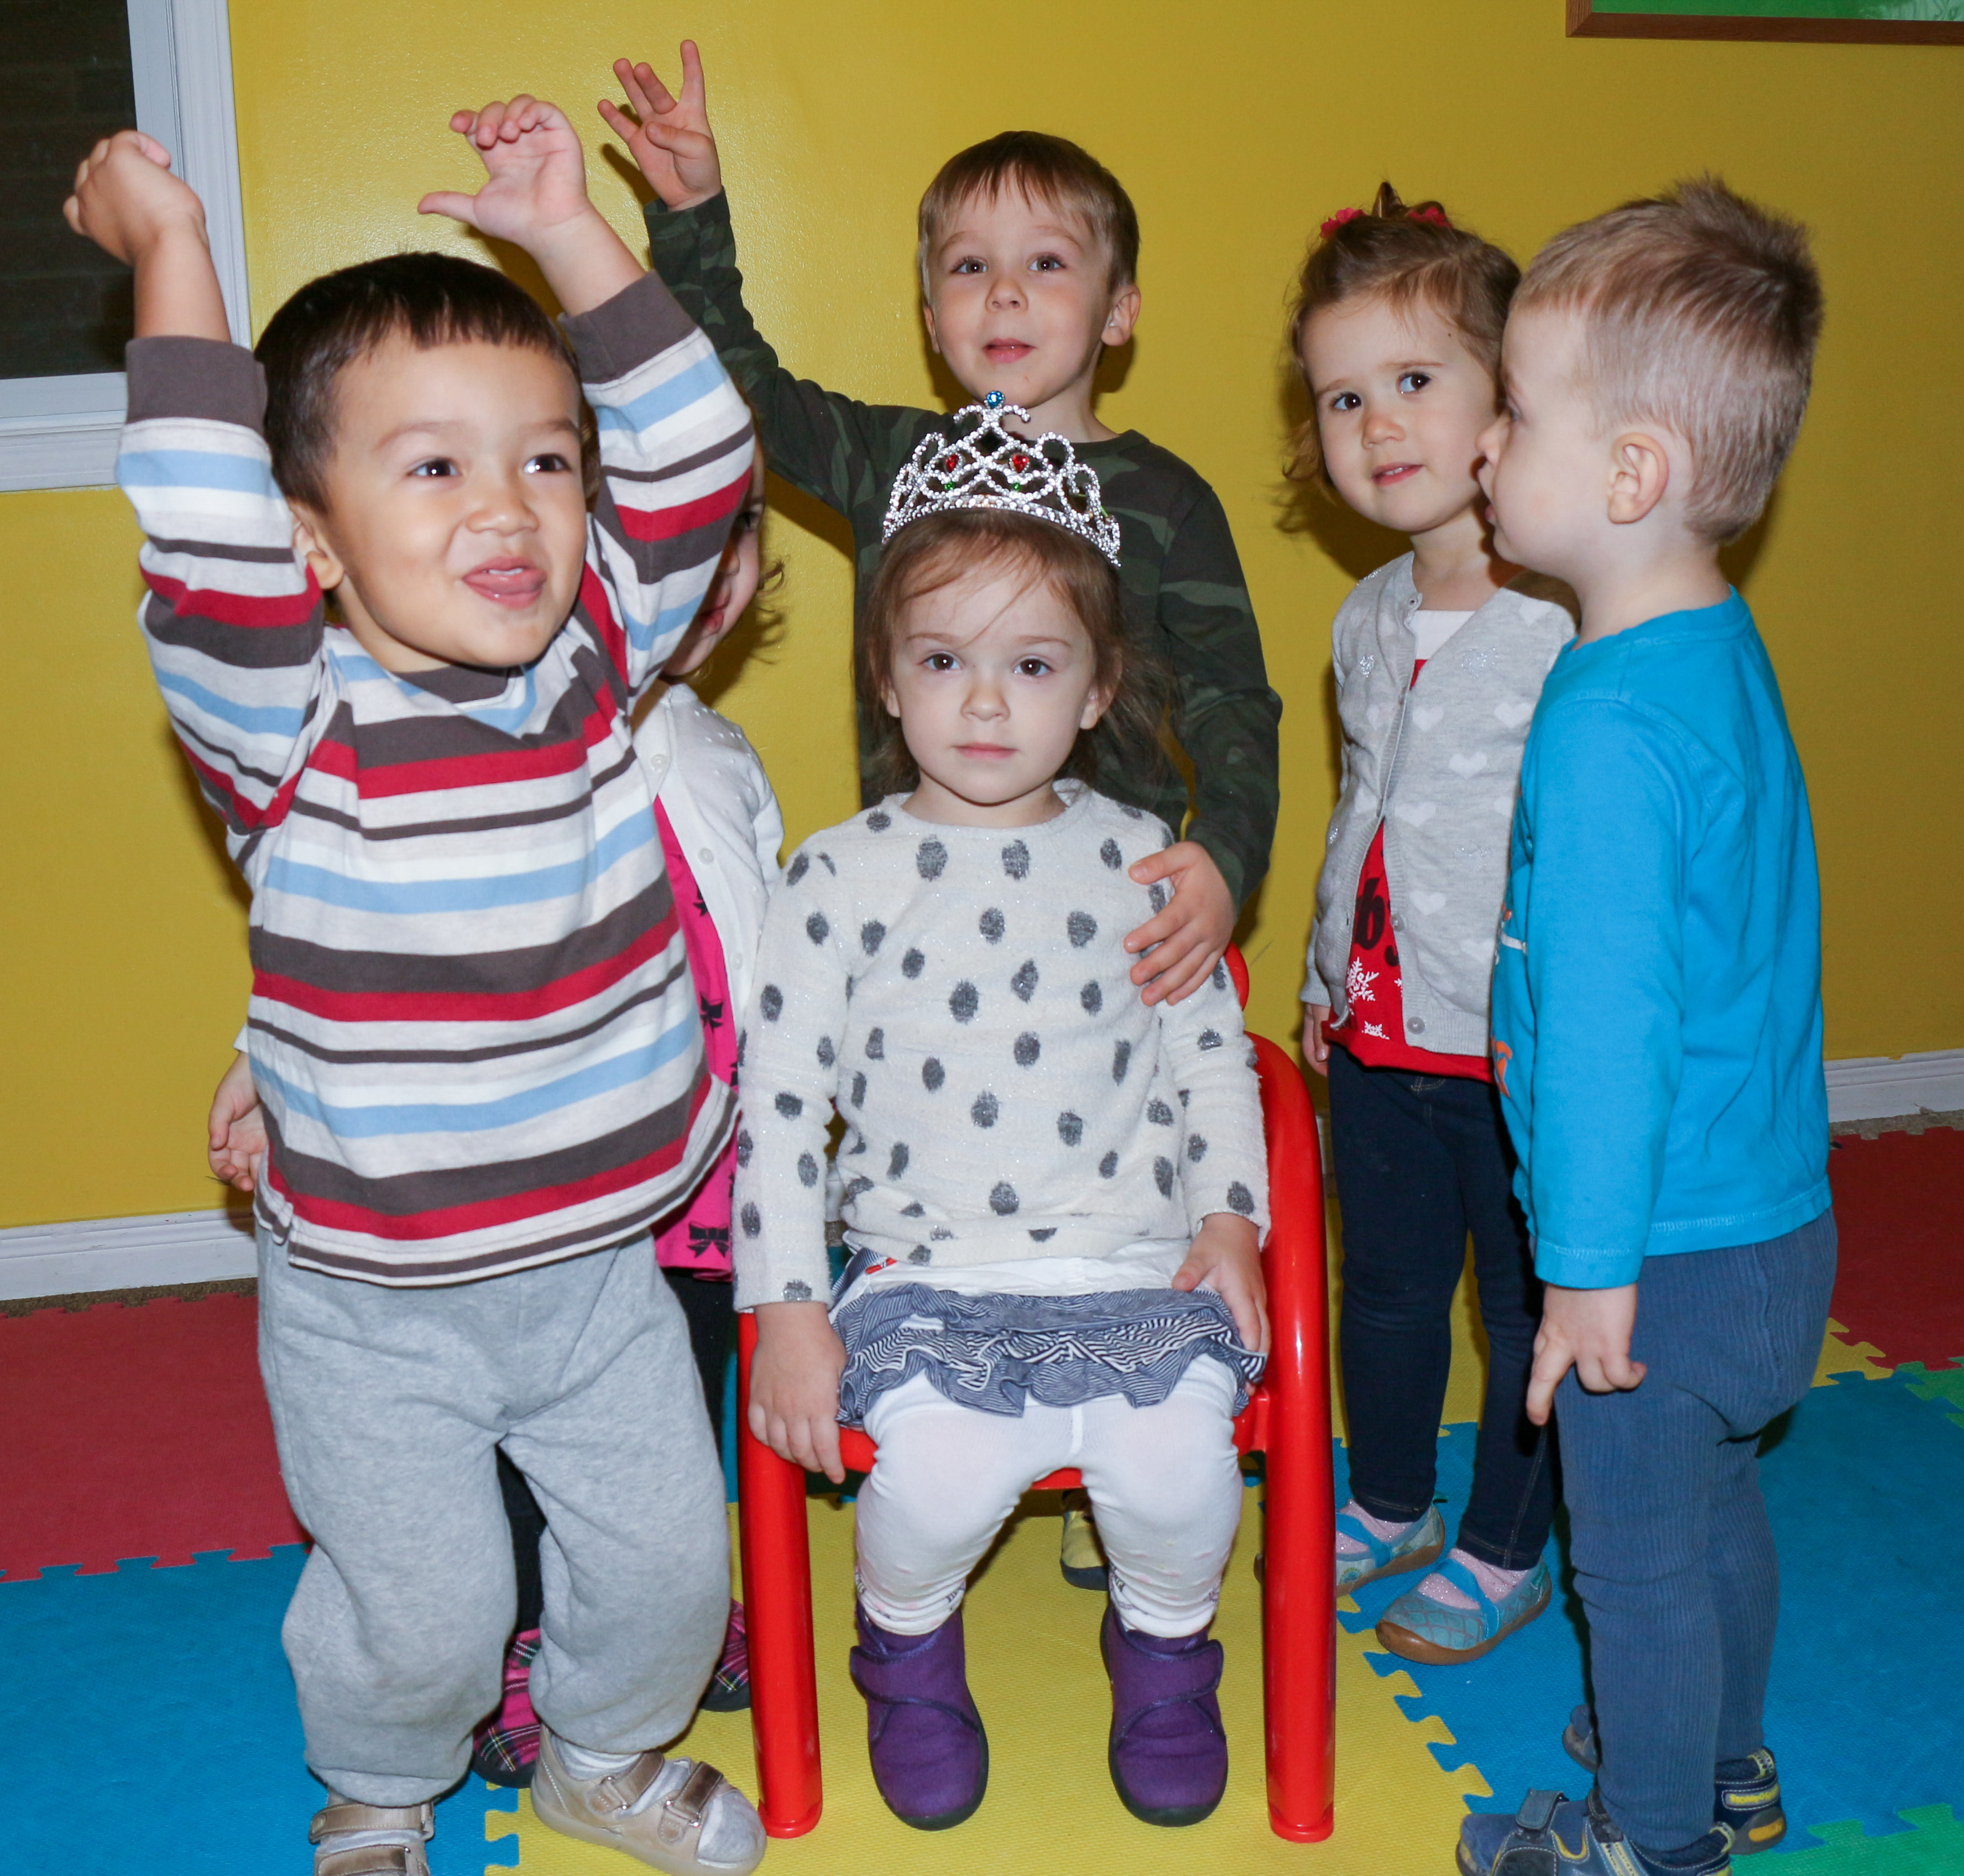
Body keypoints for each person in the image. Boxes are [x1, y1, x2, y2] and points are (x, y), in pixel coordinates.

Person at [66, 96, 769, 1876]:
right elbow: (201, 522)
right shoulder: (290, 728)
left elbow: (699, 457)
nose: (510, 506)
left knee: (669, 1564)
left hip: (602, 1270)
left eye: (547, 461)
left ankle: (598, 1757)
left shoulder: (596, 669)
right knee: (427, 1604)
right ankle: (380, 1783)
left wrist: (571, 233)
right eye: (434, 469)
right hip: (375, 1303)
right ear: (312, 540)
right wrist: (172, 254)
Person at [604, 40, 1283, 1590]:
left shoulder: (1167, 498)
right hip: (917, 947)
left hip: (1111, 950)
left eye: (1046, 263)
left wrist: (1224, 864)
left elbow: (1237, 705)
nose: (1003, 293)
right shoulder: (897, 460)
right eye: (968, 265)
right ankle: (944, 1379)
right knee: (923, 1190)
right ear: (928, 310)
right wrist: (693, 217)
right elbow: (741, 393)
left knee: (1133, 1184)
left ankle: (1127, 1420)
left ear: (1117, 309)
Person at [732, 401, 1271, 1833]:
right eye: (942, 661)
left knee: (1183, 1474)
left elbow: (1211, 1060)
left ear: (1097, 689)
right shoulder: (834, 874)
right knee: (935, 1482)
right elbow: (774, 1104)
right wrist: (787, 1308)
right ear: (886, 679)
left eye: (1031, 665)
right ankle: (907, 1655)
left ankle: (1165, 1654)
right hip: (925, 1270)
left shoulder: (1143, 859)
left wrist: (1229, 1222)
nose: (984, 704)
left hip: (1130, 1257)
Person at [208, 471, 786, 1788]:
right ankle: (515, 1632)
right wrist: (255, 1051)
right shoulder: (496, 737)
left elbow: (771, 937)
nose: (708, 571)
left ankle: (632, 1618)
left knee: (655, 1422)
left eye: (734, 541)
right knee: (497, 1440)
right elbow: (363, 942)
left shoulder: (718, 749)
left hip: (688, 1154)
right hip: (510, 1176)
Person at [1457, 179, 1831, 1876]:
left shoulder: (1605, 726)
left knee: (1632, 1562)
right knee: (1715, 1501)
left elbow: (1611, 1034)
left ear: (1628, 476)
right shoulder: (1713, 651)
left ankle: (1650, 1838)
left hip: (1653, 1251)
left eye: (1516, 412)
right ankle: (1723, 1762)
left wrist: (1584, 1276)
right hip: (1769, 1227)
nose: (1484, 442)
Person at [1287, 187, 1574, 1667]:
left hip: (1514, 1042)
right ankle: (1389, 1497)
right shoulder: (1365, 613)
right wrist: (1323, 971)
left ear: (1506, 400)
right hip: (1383, 1031)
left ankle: (1504, 1546)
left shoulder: (1564, 616)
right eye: (1344, 397)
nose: (1377, 424)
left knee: (1524, 1314)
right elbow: (1366, 807)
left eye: (1413, 380)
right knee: (1388, 1290)